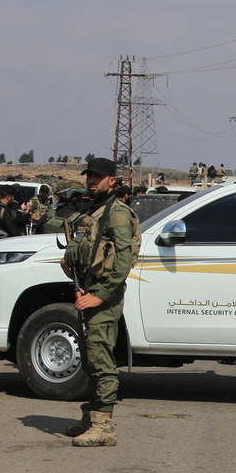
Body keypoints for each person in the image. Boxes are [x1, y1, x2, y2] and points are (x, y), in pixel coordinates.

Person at [61, 157, 140, 447]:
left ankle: (104, 426)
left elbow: (122, 261)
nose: (92, 180)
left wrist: (100, 295)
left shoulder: (117, 214)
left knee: (101, 358)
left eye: (98, 176)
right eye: (89, 176)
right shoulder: (91, 212)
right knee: (90, 357)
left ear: (112, 180)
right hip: (88, 290)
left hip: (103, 295)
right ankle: (92, 417)